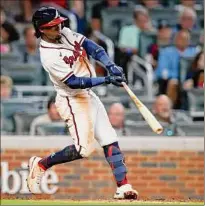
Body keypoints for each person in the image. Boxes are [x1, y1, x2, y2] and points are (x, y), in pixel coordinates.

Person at [27, 6, 138, 200]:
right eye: (53, 26)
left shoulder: (66, 33)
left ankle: (123, 185)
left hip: (88, 94)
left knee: (109, 138)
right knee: (83, 150)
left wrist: (111, 66)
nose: (59, 28)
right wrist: (106, 80)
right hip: (72, 99)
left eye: (59, 23)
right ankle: (41, 164)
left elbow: (92, 47)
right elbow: (74, 82)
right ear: (42, 29)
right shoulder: (48, 55)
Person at [155, 30, 198, 106]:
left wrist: (191, 79)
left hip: (190, 81)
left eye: (185, 39)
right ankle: (170, 108)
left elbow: (198, 69)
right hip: (169, 82)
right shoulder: (166, 52)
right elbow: (162, 72)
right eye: (180, 38)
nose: (182, 41)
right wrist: (179, 77)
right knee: (174, 82)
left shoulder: (194, 52)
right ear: (175, 39)